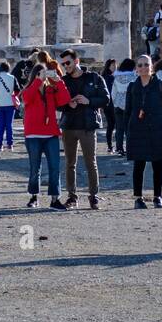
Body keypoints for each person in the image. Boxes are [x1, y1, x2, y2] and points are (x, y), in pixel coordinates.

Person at [58, 49, 111, 210]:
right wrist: (68, 104)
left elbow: (106, 99)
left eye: (68, 63)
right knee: (69, 163)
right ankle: (72, 197)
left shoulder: (94, 78)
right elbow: (56, 103)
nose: (65, 66)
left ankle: (93, 196)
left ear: (76, 61)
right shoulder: (63, 81)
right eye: (63, 63)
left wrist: (89, 101)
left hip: (88, 126)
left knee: (91, 162)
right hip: (69, 125)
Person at [125, 54, 162, 208]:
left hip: (158, 129)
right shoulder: (132, 87)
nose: (143, 68)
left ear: (152, 66)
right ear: (136, 69)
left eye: (146, 64)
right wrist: (127, 131)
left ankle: (157, 197)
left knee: (157, 164)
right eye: (140, 65)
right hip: (138, 130)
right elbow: (128, 111)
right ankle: (138, 198)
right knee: (138, 165)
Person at [22, 64, 72, 209]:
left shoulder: (51, 89)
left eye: (45, 73)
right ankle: (34, 197)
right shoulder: (29, 89)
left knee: (54, 167)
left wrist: (59, 81)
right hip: (33, 134)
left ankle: (55, 199)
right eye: (40, 73)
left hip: (51, 133)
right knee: (34, 168)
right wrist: (37, 81)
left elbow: (64, 100)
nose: (44, 75)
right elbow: (26, 99)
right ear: (35, 75)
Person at [110, 58, 136, 156]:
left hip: (118, 106)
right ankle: (130, 148)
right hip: (131, 107)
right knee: (130, 129)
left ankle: (119, 148)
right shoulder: (134, 78)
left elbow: (113, 93)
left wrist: (116, 103)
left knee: (119, 129)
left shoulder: (116, 78)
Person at [0, 62, 19, 151]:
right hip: (10, 104)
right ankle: (10, 144)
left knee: (0, 125)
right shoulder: (12, 78)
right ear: (8, 68)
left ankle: (0, 144)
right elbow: (17, 91)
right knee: (9, 125)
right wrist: (14, 97)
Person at [100, 59, 118, 154]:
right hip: (111, 104)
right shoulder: (110, 78)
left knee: (111, 125)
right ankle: (114, 146)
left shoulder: (104, 77)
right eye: (113, 66)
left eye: (115, 66)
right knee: (115, 125)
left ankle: (110, 146)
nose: (115, 67)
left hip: (106, 104)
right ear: (109, 66)